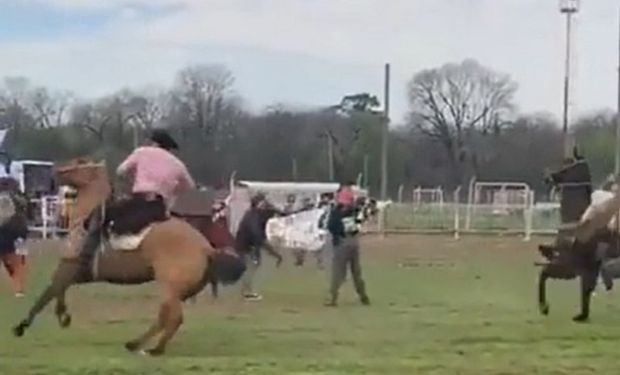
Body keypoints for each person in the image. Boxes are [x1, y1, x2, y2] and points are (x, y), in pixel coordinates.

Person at [235, 193, 283, 301]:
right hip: (247, 246)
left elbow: (279, 213)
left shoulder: (254, 214)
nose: (266, 204)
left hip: (248, 245)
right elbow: (256, 234)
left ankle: (246, 290)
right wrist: (273, 252)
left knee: (252, 266)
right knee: (251, 267)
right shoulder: (254, 216)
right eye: (263, 202)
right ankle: (247, 292)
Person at [325, 199, 370, 307]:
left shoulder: (336, 212)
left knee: (338, 271)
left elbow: (331, 226)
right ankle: (363, 295)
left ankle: (333, 297)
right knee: (356, 271)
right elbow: (360, 222)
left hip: (342, 241)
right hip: (354, 241)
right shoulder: (354, 211)